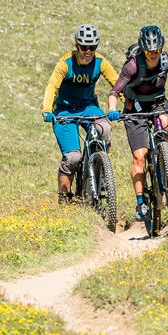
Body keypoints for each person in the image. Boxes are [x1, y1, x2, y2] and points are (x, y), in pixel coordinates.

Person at [106, 24, 168, 223]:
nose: (153, 54)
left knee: (165, 123)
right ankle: (141, 202)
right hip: (135, 110)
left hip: (158, 103)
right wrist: (112, 110)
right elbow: (114, 92)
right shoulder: (132, 66)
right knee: (140, 157)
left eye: (157, 50)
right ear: (143, 49)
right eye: (149, 51)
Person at [42, 23, 119, 204]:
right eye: (84, 47)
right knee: (73, 157)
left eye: (92, 47)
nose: (88, 51)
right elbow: (52, 86)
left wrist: (129, 104)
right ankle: (65, 199)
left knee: (105, 129)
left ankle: (99, 169)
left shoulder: (100, 62)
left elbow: (117, 84)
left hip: (88, 108)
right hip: (65, 111)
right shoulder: (65, 63)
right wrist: (46, 109)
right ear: (77, 46)